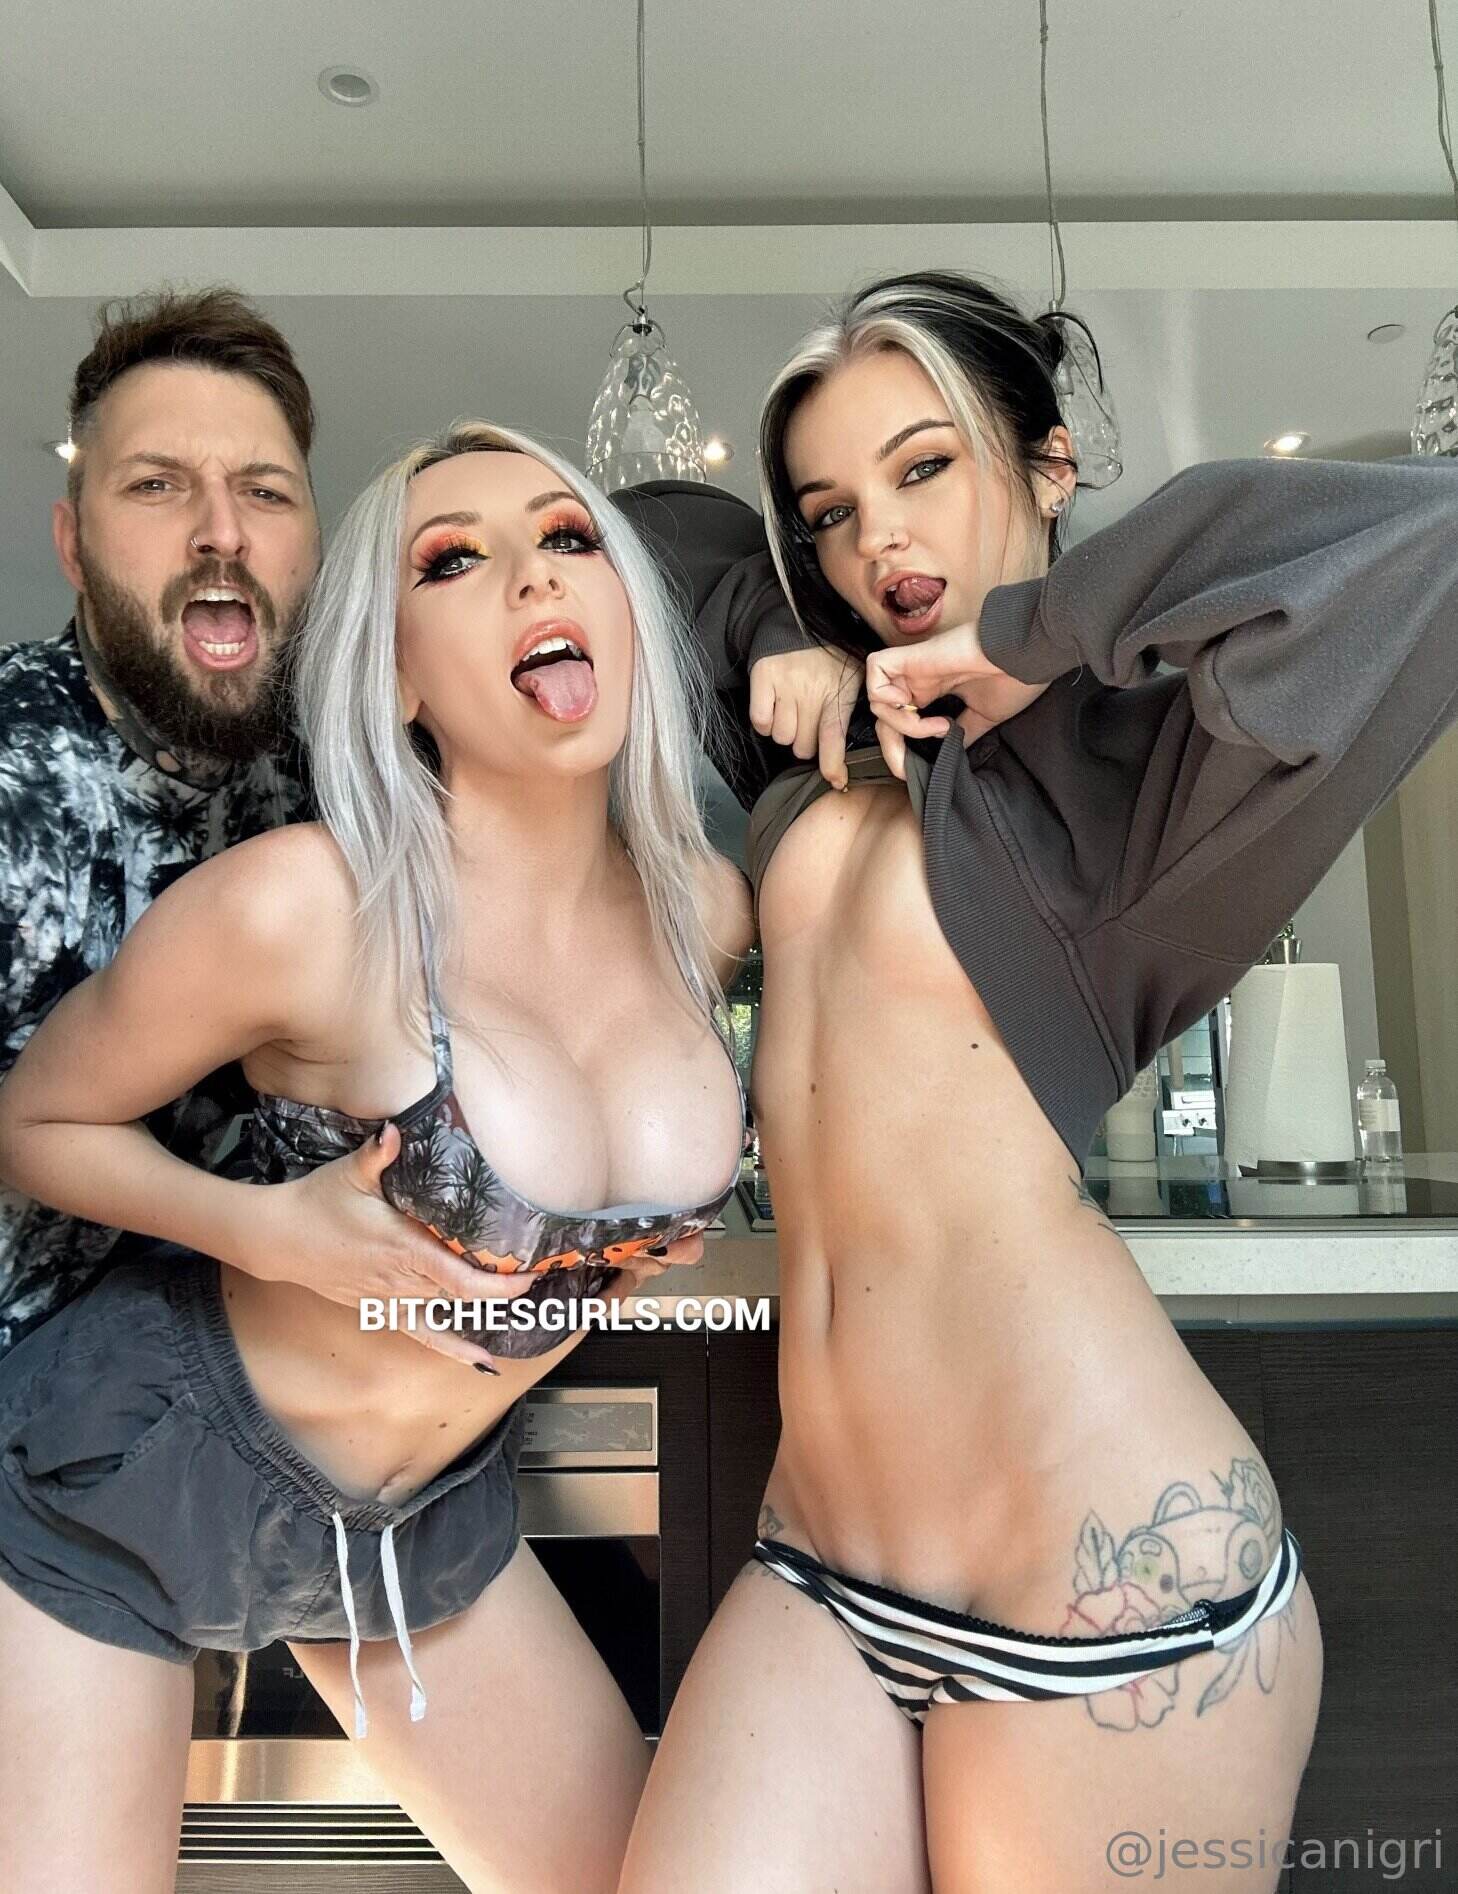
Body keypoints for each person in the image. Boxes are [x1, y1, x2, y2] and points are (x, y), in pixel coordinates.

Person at [612, 271, 1458, 1893]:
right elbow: (637, 539)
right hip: (822, 1562)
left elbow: (1429, 538)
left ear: (1047, 463)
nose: (877, 538)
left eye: (925, 466)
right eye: (830, 512)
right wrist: (786, 639)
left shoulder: (1134, 768)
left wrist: (1025, 635)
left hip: (1109, 1591)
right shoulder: (829, 755)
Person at [0, 423, 752, 1893]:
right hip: (124, 1478)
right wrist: (263, 1228)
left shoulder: (704, 911)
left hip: (414, 1517)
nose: (534, 574)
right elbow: (33, 1118)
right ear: (398, 675)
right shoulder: (305, 908)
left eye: (569, 538)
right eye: (454, 560)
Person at [0, 286, 495, 1361]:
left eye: (265, 492)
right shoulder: (12, 776)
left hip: (284, 1388)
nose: (222, 532)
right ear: (72, 543)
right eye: (156, 485)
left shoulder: (358, 769)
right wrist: (256, 1230)